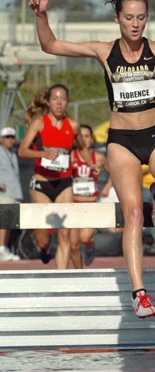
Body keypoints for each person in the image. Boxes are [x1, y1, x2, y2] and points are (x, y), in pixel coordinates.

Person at [29, 0, 155, 318]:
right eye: (129, 18)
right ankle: (139, 292)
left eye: (141, 18)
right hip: (122, 141)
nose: (135, 24)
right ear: (118, 18)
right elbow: (50, 45)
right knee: (130, 213)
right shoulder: (103, 50)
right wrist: (41, 16)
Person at [18, 85, 88, 269]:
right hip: (41, 183)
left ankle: (61, 280)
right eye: (55, 98)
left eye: (63, 99)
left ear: (67, 102)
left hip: (64, 183)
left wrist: (92, 163)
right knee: (42, 239)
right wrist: (42, 154)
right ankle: (43, 248)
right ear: (48, 102)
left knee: (65, 233)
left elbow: (82, 147)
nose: (59, 102)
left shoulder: (73, 125)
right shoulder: (39, 123)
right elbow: (22, 151)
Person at [71, 124, 112, 267]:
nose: (84, 139)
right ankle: (79, 272)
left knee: (85, 237)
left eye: (87, 136)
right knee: (73, 245)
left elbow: (113, 172)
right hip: (73, 204)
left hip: (91, 203)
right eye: (81, 136)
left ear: (91, 140)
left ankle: (90, 247)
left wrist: (107, 187)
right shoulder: (70, 157)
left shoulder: (99, 158)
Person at [0, 127, 22, 261]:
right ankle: (1, 248)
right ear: (1, 139)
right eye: (7, 137)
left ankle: (4, 248)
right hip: (3, 193)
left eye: (12, 137)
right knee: (3, 221)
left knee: (9, 222)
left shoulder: (13, 153)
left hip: (13, 193)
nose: (10, 140)